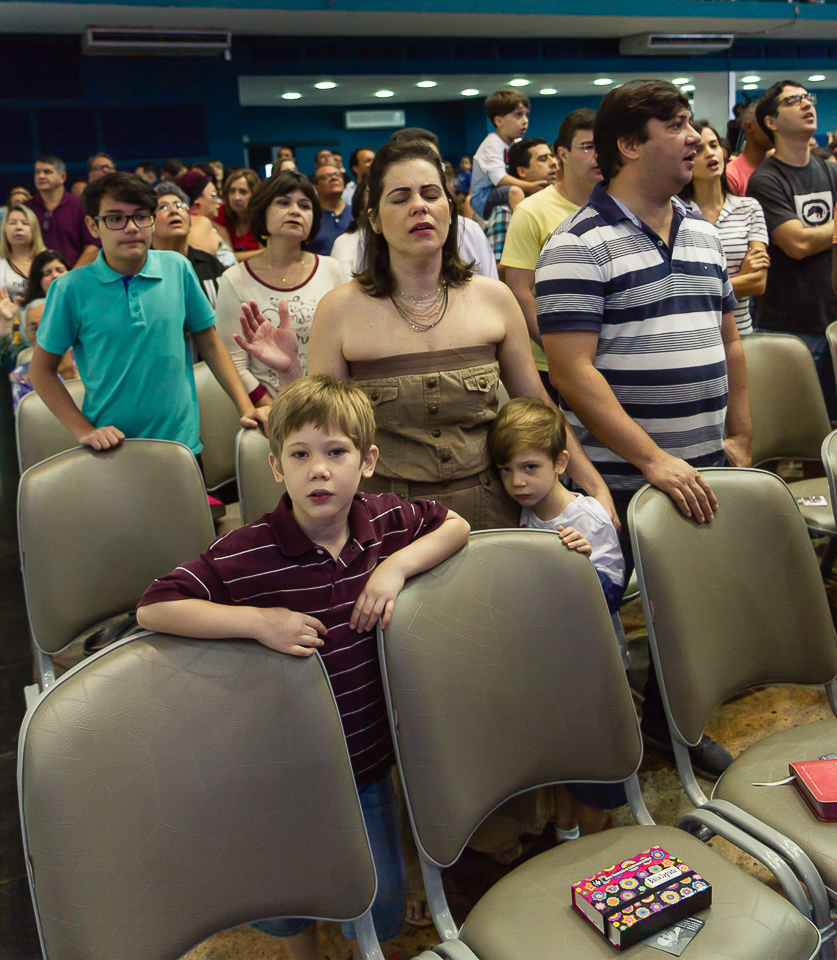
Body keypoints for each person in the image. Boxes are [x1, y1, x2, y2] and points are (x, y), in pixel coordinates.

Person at [234, 135, 616, 920]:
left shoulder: (491, 300)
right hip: (392, 532)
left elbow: (534, 411)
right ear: (373, 216)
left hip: (495, 523)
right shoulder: (343, 309)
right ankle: (425, 857)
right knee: (410, 695)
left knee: (500, 683)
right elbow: (322, 430)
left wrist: (586, 483)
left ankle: (508, 833)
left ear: (452, 206)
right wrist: (287, 373)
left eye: (431, 193)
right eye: (399, 196)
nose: (419, 208)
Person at [136, 374, 470, 960]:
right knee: (289, 898)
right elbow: (155, 606)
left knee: (379, 901)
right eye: (300, 455)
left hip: (367, 762)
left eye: (336, 453)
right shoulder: (247, 551)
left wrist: (393, 569)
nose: (319, 471)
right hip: (282, 766)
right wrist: (259, 622)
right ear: (275, 467)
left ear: (367, 462)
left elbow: (455, 524)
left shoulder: (384, 523)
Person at [536, 79, 752, 778]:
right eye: (678, 125)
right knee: (603, 616)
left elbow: (729, 339)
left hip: (704, 460)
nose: (696, 138)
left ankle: (668, 723)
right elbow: (571, 373)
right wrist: (653, 458)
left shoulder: (700, 229)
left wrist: (739, 435)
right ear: (629, 144)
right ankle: (597, 752)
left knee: (690, 606)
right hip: (622, 474)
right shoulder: (577, 245)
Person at [28, 172, 262, 455]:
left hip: (182, 443)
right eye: (115, 218)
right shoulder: (70, 288)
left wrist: (245, 406)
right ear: (92, 225)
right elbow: (41, 371)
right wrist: (84, 430)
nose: (131, 228)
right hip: (113, 448)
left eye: (141, 216)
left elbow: (210, 342)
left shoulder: (177, 267)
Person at [488, 397, 627, 837]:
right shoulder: (526, 514)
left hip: (594, 668)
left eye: (530, 467)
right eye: (506, 470)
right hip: (552, 665)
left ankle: (596, 844)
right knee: (564, 758)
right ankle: (565, 836)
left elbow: (611, 592)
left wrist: (579, 566)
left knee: (595, 768)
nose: (517, 482)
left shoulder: (588, 517)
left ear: (560, 462)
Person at [215, 170, 348, 403]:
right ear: (262, 212)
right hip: (271, 405)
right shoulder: (234, 279)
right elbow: (234, 361)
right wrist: (271, 410)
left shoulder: (332, 269)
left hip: (329, 403)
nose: (295, 211)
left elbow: (347, 346)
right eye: (283, 203)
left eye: (305, 206)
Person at [747, 80, 837, 416]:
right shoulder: (766, 180)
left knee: (832, 426)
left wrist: (820, 235)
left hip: (832, 319)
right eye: (793, 100)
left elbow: (807, 237)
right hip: (789, 327)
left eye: (807, 97)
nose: (806, 104)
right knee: (797, 427)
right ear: (771, 121)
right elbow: (797, 243)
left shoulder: (831, 171)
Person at [502, 109, 601, 399]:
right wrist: (557, 347)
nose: (598, 155)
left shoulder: (621, 207)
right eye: (587, 147)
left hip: (611, 359)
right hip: (550, 364)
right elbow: (519, 291)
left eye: (603, 145)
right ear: (562, 154)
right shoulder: (532, 211)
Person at [679, 121, 769, 336]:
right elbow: (681, 291)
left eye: (714, 145)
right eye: (699, 149)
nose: (710, 153)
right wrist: (741, 278)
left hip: (742, 331)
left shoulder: (749, 208)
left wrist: (703, 288)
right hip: (695, 334)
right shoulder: (677, 214)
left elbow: (758, 282)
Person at [469, 89, 546, 219]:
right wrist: (529, 186)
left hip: (501, 190)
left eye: (526, 115)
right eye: (518, 115)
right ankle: (522, 223)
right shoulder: (491, 143)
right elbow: (500, 178)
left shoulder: (517, 143)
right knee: (516, 191)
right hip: (483, 197)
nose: (525, 121)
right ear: (498, 121)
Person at [484, 137, 557, 267]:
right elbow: (495, 270)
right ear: (522, 171)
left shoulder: (556, 204)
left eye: (552, 156)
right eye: (543, 159)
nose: (553, 162)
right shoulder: (505, 212)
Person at [152, 183, 226, 306]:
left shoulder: (210, 264)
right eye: (163, 207)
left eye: (179, 206)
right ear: (149, 221)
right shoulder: (142, 269)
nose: (174, 211)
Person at [25, 155, 98, 268]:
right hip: (34, 275)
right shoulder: (26, 208)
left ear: (62, 177)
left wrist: (71, 275)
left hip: (74, 273)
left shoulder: (80, 206)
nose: (41, 176)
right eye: (37, 172)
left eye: (47, 172)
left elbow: (93, 247)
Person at [10, 298, 77, 411]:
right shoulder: (22, 377)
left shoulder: (90, 359)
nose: (42, 333)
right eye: (34, 328)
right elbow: (28, 419)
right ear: (26, 335)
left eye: (48, 324)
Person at [0, 205, 46, 368]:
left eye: (25, 223)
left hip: (47, 329)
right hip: (8, 335)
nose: (18, 227)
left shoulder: (48, 260)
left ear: (34, 229)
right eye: (12, 223)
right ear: (4, 230)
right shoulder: (1, 264)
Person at [726, 101, 773, 197]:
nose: (773, 129)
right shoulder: (732, 175)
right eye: (766, 124)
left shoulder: (777, 169)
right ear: (749, 127)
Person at [215, 168, 263, 261]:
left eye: (243, 192)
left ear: (255, 194)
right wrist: (260, 253)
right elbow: (228, 259)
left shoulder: (263, 216)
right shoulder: (221, 212)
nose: (236, 197)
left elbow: (268, 257)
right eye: (232, 191)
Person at [307, 164, 351, 256]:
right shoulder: (310, 216)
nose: (334, 178)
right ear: (315, 186)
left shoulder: (356, 213)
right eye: (326, 176)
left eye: (338, 175)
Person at [330, 177, 369, 277]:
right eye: (370, 194)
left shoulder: (395, 241)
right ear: (360, 206)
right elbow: (343, 282)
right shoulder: (345, 242)